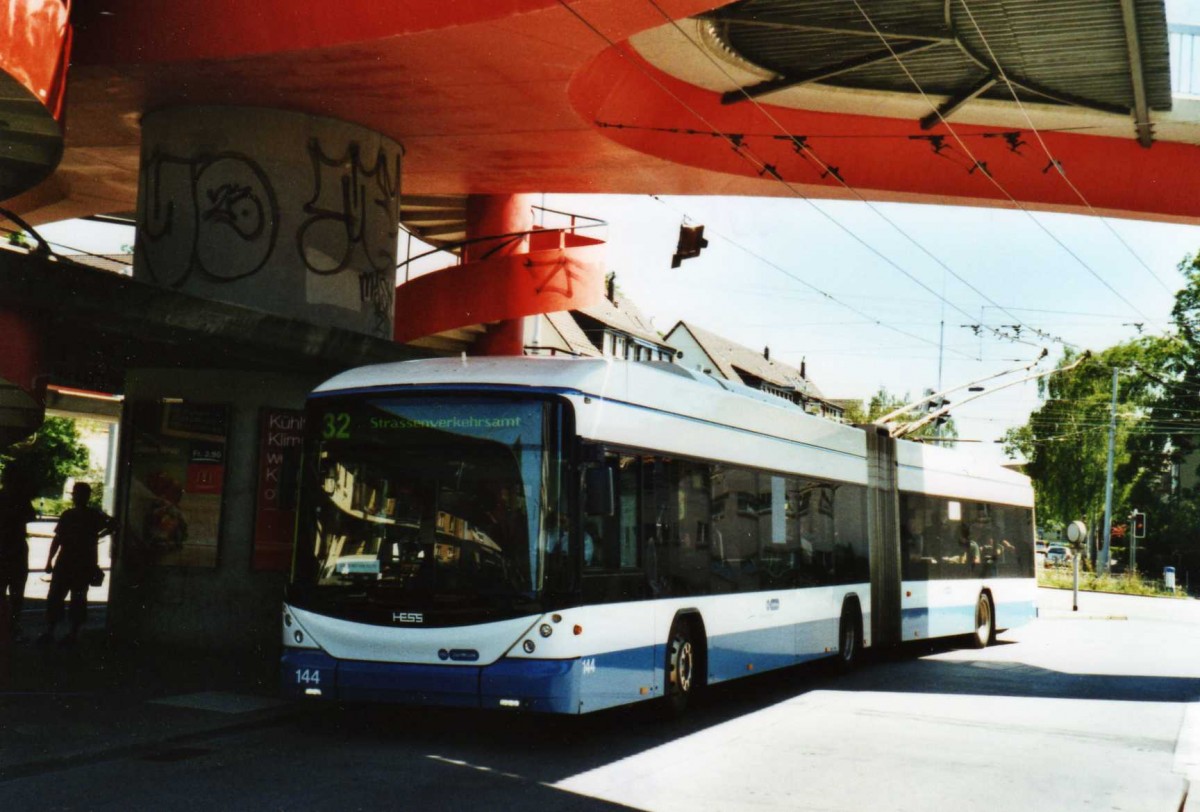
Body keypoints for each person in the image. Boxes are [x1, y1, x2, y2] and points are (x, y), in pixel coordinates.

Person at [39, 483, 117, 646]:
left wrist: (49, 561)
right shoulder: (94, 515)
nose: (75, 497)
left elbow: (57, 539)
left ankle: (51, 632)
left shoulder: (69, 515)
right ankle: (71, 634)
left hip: (67, 561)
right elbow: (113, 524)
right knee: (77, 598)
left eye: (76, 494)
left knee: (57, 597)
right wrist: (98, 536)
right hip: (83, 562)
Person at [0, 464, 36, 641]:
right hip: (16, 549)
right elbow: (31, 516)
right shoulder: (21, 498)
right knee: (16, 593)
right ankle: (13, 626)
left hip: (5, 548)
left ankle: (8, 626)